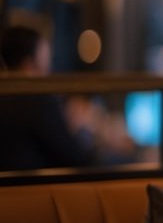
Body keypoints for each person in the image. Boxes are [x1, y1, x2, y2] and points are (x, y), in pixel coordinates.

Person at [0, 24, 94, 170]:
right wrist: (81, 128)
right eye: (46, 63)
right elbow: (77, 158)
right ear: (29, 65)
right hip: (34, 183)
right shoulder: (36, 98)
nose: (49, 72)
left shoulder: (7, 95)